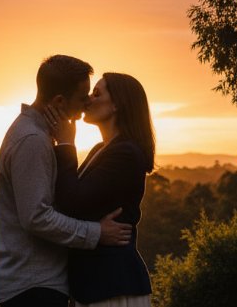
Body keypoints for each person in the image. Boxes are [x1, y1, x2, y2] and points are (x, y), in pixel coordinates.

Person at [0, 55, 133, 307]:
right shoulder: (33, 140)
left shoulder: (38, 135)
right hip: (33, 287)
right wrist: (96, 233)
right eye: (82, 97)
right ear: (58, 101)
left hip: (35, 283)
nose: (88, 101)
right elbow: (36, 217)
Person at [45, 72, 155, 307]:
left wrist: (66, 144)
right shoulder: (100, 149)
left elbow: (71, 202)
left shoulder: (126, 153)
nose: (88, 100)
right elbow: (67, 193)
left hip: (113, 285)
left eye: (97, 93)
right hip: (94, 285)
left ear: (117, 105)